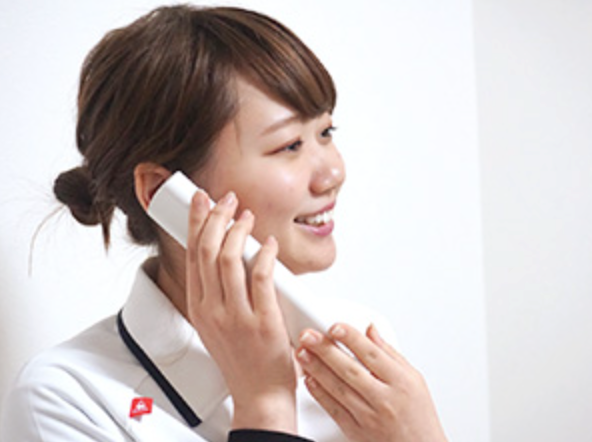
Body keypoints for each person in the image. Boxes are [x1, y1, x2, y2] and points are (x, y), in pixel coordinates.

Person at [0, 5, 447, 442]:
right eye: (290, 145)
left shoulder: (359, 346)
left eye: (325, 133)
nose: (333, 173)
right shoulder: (65, 399)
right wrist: (265, 403)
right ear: (161, 192)